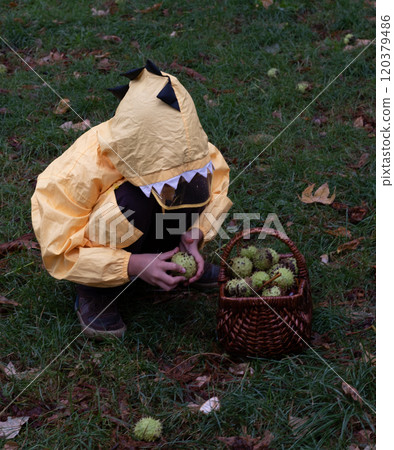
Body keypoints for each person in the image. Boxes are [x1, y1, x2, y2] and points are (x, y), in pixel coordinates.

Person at [31, 60, 232, 338]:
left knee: (194, 184)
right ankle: (97, 291)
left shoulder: (190, 147)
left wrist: (194, 233)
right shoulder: (75, 173)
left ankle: (171, 258)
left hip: (158, 232)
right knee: (130, 200)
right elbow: (60, 251)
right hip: (105, 246)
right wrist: (131, 264)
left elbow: (217, 185)